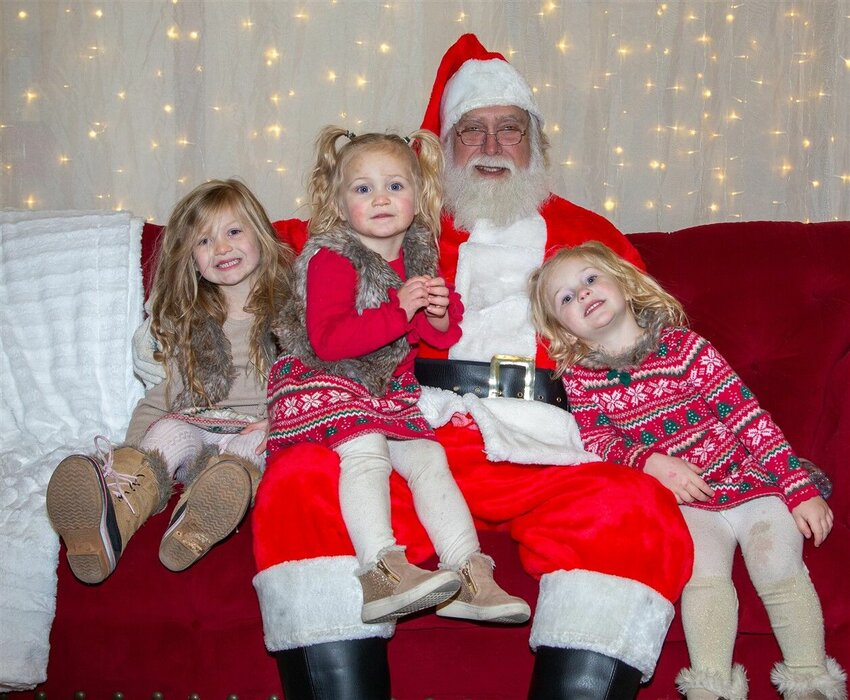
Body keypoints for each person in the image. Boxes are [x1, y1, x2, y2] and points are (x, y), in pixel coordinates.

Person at [248, 35, 694, 700]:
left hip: (552, 447)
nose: (491, 145)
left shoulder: (589, 237)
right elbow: (270, 243)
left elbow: (648, 351)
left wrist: (671, 446)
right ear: (443, 148)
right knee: (304, 479)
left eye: (509, 129)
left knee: (635, 510)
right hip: (417, 433)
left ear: (533, 143)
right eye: (471, 131)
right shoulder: (398, 224)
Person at [528, 241, 847, 700]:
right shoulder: (580, 377)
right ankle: (711, 687)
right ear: (564, 328)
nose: (582, 294)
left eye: (590, 279)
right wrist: (650, 461)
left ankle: (810, 680)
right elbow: (599, 440)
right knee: (703, 578)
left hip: (750, 478)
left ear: (623, 281)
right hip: (688, 500)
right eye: (566, 298)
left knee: (776, 563)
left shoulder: (684, 347)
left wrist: (797, 488)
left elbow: (746, 416)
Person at [267, 125, 530, 626]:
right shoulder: (332, 258)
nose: (381, 198)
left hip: (388, 391)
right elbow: (329, 341)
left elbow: (442, 338)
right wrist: (398, 308)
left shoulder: (419, 253)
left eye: (395, 185)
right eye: (362, 188)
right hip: (323, 381)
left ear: (418, 196)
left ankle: (468, 574)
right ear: (340, 205)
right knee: (365, 450)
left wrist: (434, 313)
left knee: (430, 457)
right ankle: (381, 572)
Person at [47, 178, 292, 582]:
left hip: (256, 433)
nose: (222, 248)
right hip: (196, 425)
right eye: (204, 241)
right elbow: (160, 397)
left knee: (250, 448)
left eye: (233, 231)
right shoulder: (185, 323)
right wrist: (129, 456)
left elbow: (312, 382)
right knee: (170, 430)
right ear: (191, 258)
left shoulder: (292, 312)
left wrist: (279, 421)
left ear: (262, 237)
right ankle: (111, 518)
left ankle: (196, 521)